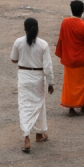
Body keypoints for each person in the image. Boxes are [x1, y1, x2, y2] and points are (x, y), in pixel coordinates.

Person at [12, 18, 54, 153]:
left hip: (24, 77)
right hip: (38, 78)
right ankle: (40, 133)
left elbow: (14, 59)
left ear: (25, 28)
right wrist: (51, 82)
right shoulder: (43, 44)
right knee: (39, 105)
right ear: (37, 28)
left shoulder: (18, 42)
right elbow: (48, 67)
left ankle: (27, 138)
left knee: (24, 107)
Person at [55, 0, 84, 116]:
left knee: (69, 84)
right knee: (82, 84)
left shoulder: (65, 22)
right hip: (82, 60)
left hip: (69, 58)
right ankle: (83, 105)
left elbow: (61, 38)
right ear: (82, 11)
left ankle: (71, 108)